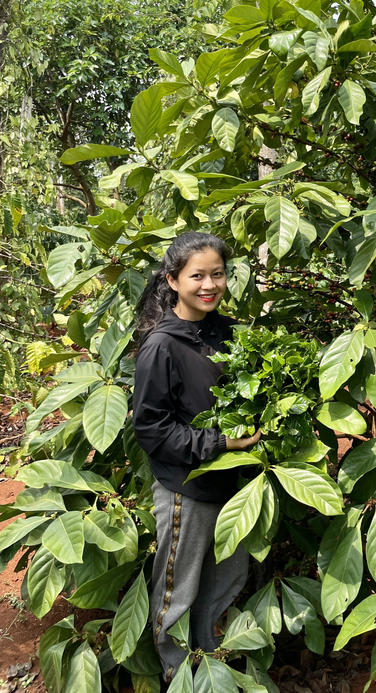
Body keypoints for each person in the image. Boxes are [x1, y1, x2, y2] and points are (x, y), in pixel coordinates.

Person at [132, 231, 261, 682]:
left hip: (235, 488)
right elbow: (151, 429)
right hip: (188, 490)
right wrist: (219, 443)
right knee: (178, 589)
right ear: (172, 280)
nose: (210, 285)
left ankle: (209, 662)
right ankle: (175, 673)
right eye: (197, 276)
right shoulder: (161, 347)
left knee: (227, 577)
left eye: (218, 274)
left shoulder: (226, 333)